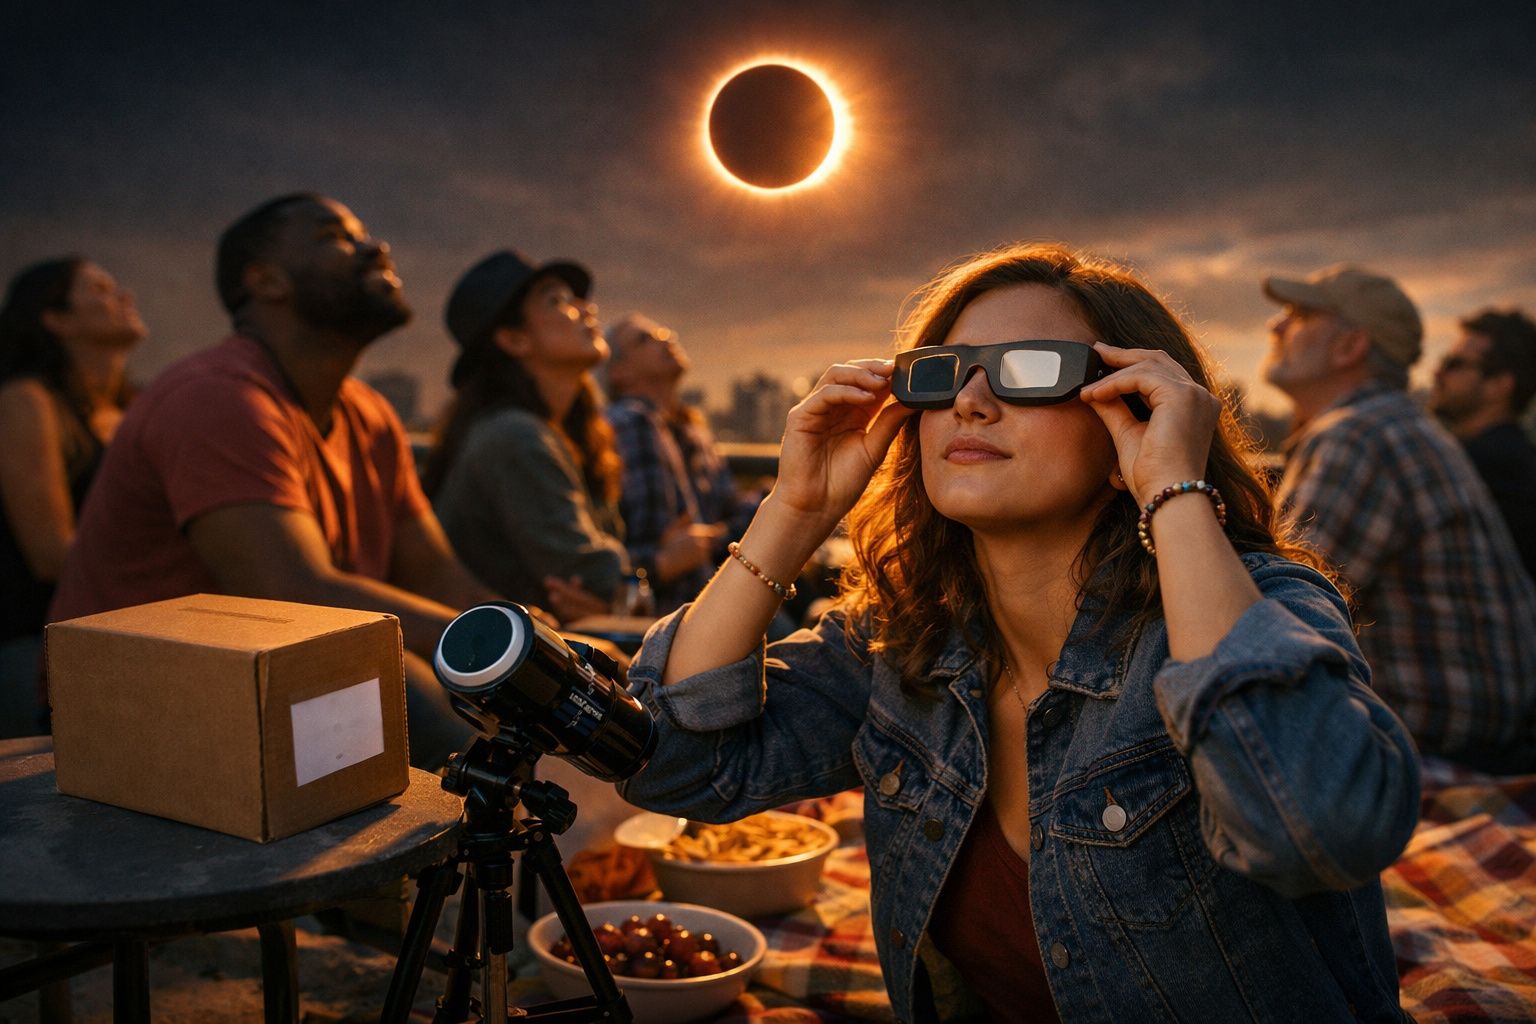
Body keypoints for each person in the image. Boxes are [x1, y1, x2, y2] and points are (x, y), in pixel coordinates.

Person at [618, 243, 1420, 1021]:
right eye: (943, 374)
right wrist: (794, 514)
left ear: (1134, 415)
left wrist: (1174, 489)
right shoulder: (908, 641)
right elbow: (678, 766)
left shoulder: (1256, 606)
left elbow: (1320, 828)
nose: (969, 401)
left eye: (1030, 370)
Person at [48, 194, 496, 769]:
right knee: (427, 709)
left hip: (277, 690)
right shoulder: (217, 397)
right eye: (336, 236)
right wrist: (507, 652)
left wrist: (546, 642)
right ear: (267, 281)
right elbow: (298, 597)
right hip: (129, 710)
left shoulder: (371, 416)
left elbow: (442, 579)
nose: (374, 247)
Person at [1261, 265, 1536, 773]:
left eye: (1299, 316)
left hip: (1431, 757)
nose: (1276, 328)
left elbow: (1270, 618)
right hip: (1481, 741)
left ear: (1349, 348)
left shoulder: (1358, 437)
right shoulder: (1390, 425)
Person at [423, 250, 630, 624]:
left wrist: (616, 584)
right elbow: (593, 574)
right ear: (514, 339)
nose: (585, 308)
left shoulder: (563, 434)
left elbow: (599, 572)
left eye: (576, 297)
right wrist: (644, 573)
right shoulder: (515, 437)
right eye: (557, 300)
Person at [0, 258, 147, 736]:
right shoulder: (27, 401)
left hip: (119, 633)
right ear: (56, 319)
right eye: (101, 290)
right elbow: (50, 556)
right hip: (38, 644)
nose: (124, 296)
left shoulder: (135, 409)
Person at [603, 312, 743, 612]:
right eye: (645, 339)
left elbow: (723, 514)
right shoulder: (631, 422)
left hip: (716, 584)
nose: (666, 340)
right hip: (685, 606)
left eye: (664, 333)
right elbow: (660, 541)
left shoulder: (689, 428)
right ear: (618, 372)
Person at [1429, 307, 1536, 580]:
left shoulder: (1480, 463)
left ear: (1500, 385)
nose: (1437, 373)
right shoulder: (1516, 456)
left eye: (1454, 364)